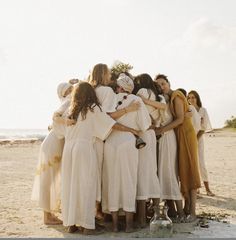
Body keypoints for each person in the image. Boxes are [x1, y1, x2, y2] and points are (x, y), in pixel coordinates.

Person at [60, 82, 139, 234]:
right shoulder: (92, 108)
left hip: (69, 149)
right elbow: (110, 124)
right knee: (87, 185)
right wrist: (131, 130)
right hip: (83, 148)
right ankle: (88, 226)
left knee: (71, 185)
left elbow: (58, 125)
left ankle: (72, 223)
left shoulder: (71, 110)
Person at [89, 63, 140, 219]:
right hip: (100, 137)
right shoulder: (107, 91)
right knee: (99, 175)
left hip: (86, 136)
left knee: (89, 175)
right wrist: (128, 111)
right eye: (109, 73)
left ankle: (91, 212)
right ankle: (98, 212)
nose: (111, 76)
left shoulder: (90, 90)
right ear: (103, 74)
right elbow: (108, 116)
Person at [102, 74, 151, 232]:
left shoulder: (111, 98)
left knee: (112, 181)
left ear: (119, 88)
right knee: (129, 180)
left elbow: (105, 119)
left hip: (110, 141)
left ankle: (116, 225)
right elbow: (144, 125)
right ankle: (129, 224)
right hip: (128, 141)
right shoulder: (137, 101)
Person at [155, 74, 201, 222]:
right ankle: (187, 209)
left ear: (168, 83)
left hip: (186, 135)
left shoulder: (176, 95)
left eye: (163, 83)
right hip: (178, 134)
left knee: (190, 171)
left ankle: (192, 212)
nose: (161, 87)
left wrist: (161, 130)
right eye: (158, 85)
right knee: (183, 172)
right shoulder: (168, 99)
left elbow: (181, 118)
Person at [31, 82, 73, 225]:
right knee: (49, 180)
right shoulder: (68, 101)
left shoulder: (67, 102)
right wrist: (68, 122)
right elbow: (55, 117)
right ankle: (47, 216)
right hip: (54, 144)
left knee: (51, 180)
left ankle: (49, 214)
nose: (72, 90)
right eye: (68, 89)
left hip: (54, 143)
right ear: (64, 93)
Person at [133, 73, 164, 227]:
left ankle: (141, 217)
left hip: (143, 132)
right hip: (152, 133)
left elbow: (139, 113)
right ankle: (157, 214)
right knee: (152, 171)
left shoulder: (142, 93)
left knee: (142, 172)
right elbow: (158, 117)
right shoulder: (158, 96)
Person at [187, 90, 215, 196]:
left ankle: (207, 189)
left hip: (199, 139)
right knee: (192, 164)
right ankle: (196, 189)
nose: (191, 99)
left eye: (193, 97)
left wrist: (196, 138)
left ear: (197, 98)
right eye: (189, 97)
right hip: (189, 139)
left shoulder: (203, 110)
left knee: (201, 163)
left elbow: (204, 127)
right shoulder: (188, 109)